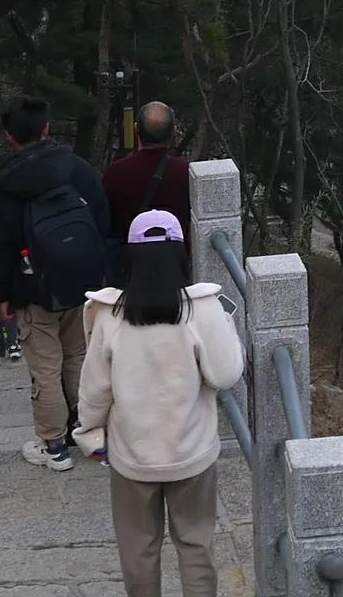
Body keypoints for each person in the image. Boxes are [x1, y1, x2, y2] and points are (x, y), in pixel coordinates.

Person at [79, 210, 243, 597]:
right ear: (181, 254)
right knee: (196, 545)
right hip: (192, 451)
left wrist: (89, 433)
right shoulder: (201, 308)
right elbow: (225, 375)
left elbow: (94, 389)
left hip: (132, 454)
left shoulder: (109, 314)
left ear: (130, 257)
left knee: (138, 549)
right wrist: (228, 326)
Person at [0, 94, 111, 471]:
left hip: (33, 287)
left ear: (9, 136)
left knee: (45, 365)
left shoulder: (6, 183)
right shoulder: (78, 169)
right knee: (79, 357)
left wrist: (0, 295)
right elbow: (102, 219)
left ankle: (53, 444)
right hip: (84, 281)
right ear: (47, 129)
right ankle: (89, 431)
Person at [101, 102, 193, 281]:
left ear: (136, 129)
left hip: (128, 272)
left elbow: (105, 223)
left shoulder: (115, 173)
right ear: (173, 132)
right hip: (173, 270)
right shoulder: (186, 173)